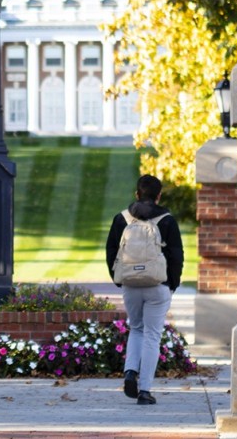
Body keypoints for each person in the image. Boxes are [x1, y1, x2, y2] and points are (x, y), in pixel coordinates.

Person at [104, 174, 184, 406]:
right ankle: (145, 390)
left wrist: (119, 279)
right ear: (159, 196)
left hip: (130, 283)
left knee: (136, 329)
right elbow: (176, 256)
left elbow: (111, 251)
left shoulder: (122, 219)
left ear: (137, 194)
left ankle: (130, 371)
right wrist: (172, 284)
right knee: (152, 334)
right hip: (158, 285)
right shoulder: (167, 220)